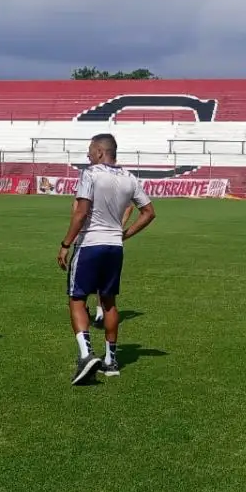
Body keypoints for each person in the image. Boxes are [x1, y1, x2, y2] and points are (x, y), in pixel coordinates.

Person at [57, 134, 156, 384]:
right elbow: (149, 212)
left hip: (90, 243)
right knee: (109, 301)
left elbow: (80, 213)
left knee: (77, 298)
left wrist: (65, 244)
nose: (88, 155)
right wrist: (124, 235)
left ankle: (85, 355)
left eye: (90, 150)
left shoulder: (90, 174)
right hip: (114, 246)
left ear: (101, 152)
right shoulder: (129, 177)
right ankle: (111, 360)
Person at [90, 202, 136, 327]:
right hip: (91, 236)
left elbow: (129, 206)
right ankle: (91, 311)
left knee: (102, 278)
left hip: (106, 239)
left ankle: (100, 313)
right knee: (90, 277)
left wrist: (120, 227)